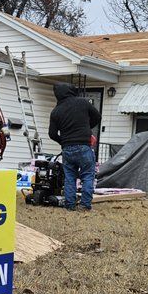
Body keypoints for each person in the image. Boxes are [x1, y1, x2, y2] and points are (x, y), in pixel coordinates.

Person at [48, 83, 101, 211]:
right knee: (88, 176)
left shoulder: (56, 111)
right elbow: (97, 117)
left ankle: (70, 205)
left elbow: (52, 134)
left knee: (70, 177)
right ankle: (85, 205)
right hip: (84, 146)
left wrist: (63, 142)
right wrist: (87, 129)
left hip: (67, 149)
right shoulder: (82, 103)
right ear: (71, 91)